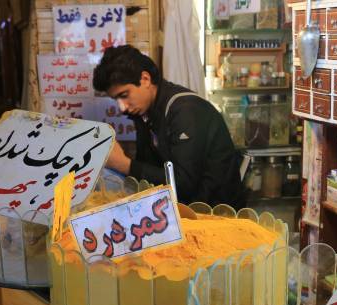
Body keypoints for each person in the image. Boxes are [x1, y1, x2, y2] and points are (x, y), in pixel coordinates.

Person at [93, 45, 245, 209]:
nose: (122, 107)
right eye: (116, 100)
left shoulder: (186, 110)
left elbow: (184, 185)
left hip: (215, 212)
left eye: (124, 95)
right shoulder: (143, 112)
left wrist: (124, 164)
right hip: (176, 207)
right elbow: (147, 169)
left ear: (145, 79)